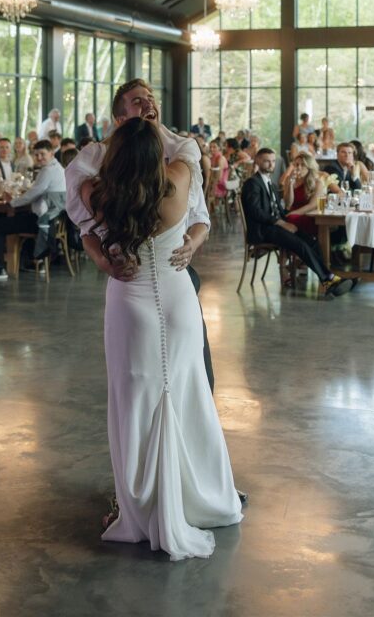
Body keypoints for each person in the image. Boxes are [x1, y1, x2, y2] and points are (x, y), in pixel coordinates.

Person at [78, 118, 242, 560]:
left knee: (134, 402)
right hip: (177, 297)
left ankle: (141, 502)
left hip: (128, 303)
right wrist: (156, 122)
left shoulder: (95, 193)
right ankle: (198, 496)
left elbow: (86, 205)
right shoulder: (181, 178)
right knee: (187, 395)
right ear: (157, 153)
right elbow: (186, 145)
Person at [66, 79, 215, 393]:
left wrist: (193, 244)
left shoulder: (175, 153)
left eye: (151, 98)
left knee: (194, 372)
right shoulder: (99, 160)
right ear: (120, 120)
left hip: (177, 271)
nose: (149, 104)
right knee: (148, 379)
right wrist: (103, 262)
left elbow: (201, 219)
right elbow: (86, 229)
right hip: (131, 278)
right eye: (138, 101)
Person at [241, 148, 352, 297]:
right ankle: (328, 279)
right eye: (267, 161)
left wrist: (285, 218)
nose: (271, 164)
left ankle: (327, 279)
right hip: (263, 230)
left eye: (273, 161)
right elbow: (255, 211)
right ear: (258, 161)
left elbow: (280, 208)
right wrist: (281, 222)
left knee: (311, 241)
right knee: (299, 245)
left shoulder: (269, 183)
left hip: (273, 226)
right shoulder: (252, 183)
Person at [0, 139, 66, 281]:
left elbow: (32, 194)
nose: (39, 158)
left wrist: (12, 202)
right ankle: (28, 261)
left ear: (52, 153)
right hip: (55, 220)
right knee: (19, 215)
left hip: (43, 222)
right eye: (36, 155)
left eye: (42, 154)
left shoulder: (48, 171)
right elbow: (35, 193)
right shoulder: (58, 168)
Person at [283, 152, 325, 237]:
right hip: (292, 212)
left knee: (290, 218)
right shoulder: (289, 179)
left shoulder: (317, 182)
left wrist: (294, 213)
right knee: (287, 219)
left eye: (303, 165)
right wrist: (290, 184)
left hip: (309, 215)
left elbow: (312, 205)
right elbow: (288, 204)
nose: (299, 167)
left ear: (309, 168)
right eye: (296, 164)